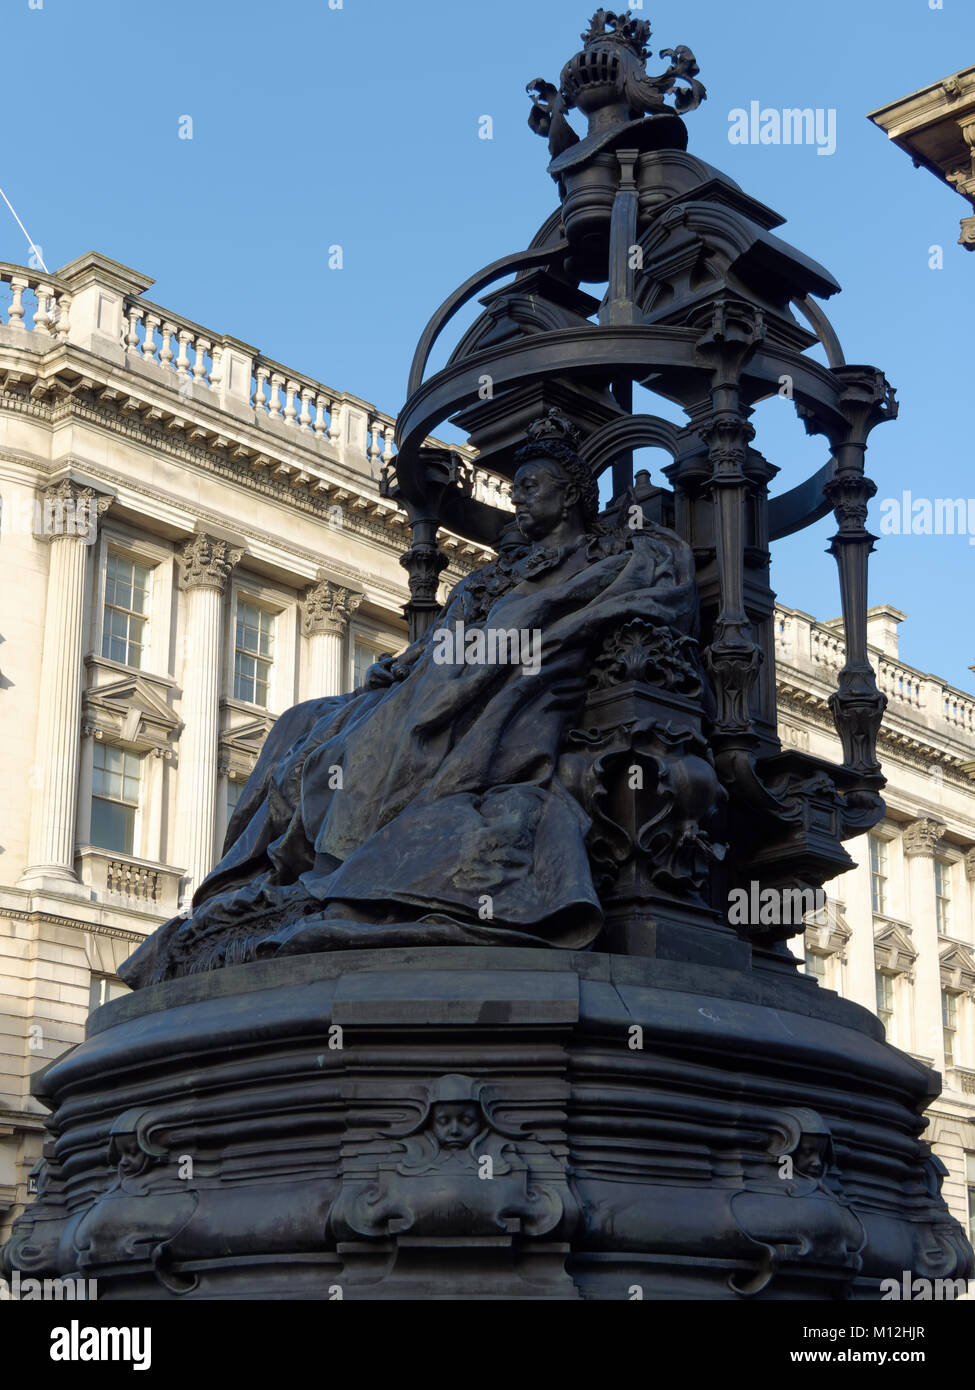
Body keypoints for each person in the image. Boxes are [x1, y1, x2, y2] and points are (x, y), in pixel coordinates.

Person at [120, 415, 698, 987]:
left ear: (570, 495)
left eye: (532, 488)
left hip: (516, 679)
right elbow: (439, 641)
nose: (518, 500)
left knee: (412, 708)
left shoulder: (600, 558)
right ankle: (256, 875)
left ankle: (336, 864)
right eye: (515, 487)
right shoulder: (490, 578)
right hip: (451, 672)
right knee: (305, 721)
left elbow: (642, 589)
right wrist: (404, 663)